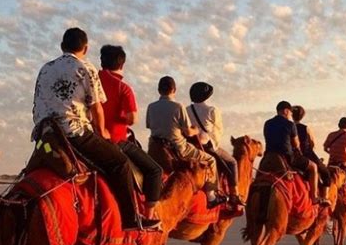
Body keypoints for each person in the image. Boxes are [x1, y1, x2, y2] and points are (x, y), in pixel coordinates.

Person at [32, 27, 156, 230]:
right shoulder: (86, 68)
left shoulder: (45, 68)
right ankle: (130, 219)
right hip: (74, 133)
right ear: (86, 48)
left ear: (62, 46)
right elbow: (97, 108)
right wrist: (103, 133)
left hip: (45, 136)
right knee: (120, 163)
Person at [98, 44, 162, 226]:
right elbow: (132, 118)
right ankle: (148, 218)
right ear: (122, 64)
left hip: (90, 139)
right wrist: (119, 116)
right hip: (116, 141)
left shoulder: (91, 81)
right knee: (155, 170)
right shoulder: (122, 88)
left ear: (102, 63)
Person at [146, 76, 227, 209]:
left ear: (158, 90)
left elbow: (150, 125)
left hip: (154, 148)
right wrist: (195, 130)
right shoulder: (178, 106)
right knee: (211, 160)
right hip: (177, 148)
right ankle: (211, 196)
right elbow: (188, 132)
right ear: (174, 89)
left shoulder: (151, 106)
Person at [186, 81, 244, 207]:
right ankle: (234, 195)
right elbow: (218, 131)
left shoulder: (186, 110)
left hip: (190, 146)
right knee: (232, 162)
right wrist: (215, 144)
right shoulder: (212, 110)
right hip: (207, 146)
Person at [263, 101, 329, 206]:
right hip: (286, 156)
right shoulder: (290, 124)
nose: (290, 115)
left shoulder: (267, 123)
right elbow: (296, 144)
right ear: (285, 111)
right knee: (313, 167)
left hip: (268, 156)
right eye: (289, 112)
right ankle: (314, 197)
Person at [291, 105, 331, 202]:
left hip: (291, 155)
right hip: (306, 154)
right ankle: (324, 197)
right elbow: (312, 144)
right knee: (326, 173)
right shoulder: (306, 128)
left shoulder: (288, 127)